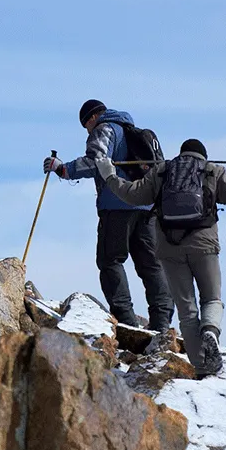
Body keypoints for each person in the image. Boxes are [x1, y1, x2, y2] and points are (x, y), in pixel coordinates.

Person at [95, 139, 226, 376]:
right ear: (203, 156)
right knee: (211, 298)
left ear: (181, 154)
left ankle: (202, 367)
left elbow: (132, 195)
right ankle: (211, 331)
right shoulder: (212, 171)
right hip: (204, 245)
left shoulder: (162, 171)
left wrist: (109, 175)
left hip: (169, 248)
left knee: (186, 309)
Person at [43, 100, 174, 332]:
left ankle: (126, 321)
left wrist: (62, 169)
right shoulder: (137, 132)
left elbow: (96, 162)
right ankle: (162, 323)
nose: (87, 130)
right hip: (146, 207)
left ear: (92, 118)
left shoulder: (105, 129)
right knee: (151, 265)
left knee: (110, 260)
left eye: (86, 126)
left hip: (117, 206)